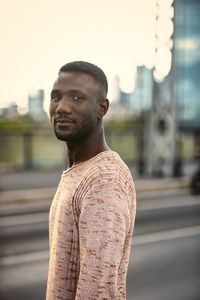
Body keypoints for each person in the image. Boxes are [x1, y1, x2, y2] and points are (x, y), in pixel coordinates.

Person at [46, 61, 136, 300]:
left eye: (77, 98)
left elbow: (97, 291)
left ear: (101, 108)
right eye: (56, 97)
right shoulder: (80, 170)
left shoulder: (104, 180)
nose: (62, 107)